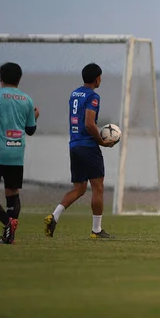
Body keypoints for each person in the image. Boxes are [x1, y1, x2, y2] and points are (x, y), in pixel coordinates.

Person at [44, 63, 117, 239]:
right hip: (88, 146)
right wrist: (101, 142)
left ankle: (54, 216)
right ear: (97, 78)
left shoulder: (74, 94)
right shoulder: (93, 96)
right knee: (98, 188)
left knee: (79, 188)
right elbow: (89, 123)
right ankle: (97, 230)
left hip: (74, 145)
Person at [0, 63, 39, 244]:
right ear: (19, 79)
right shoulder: (27, 100)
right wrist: (35, 116)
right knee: (12, 193)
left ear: (1, 78)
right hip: (16, 153)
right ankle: (9, 237)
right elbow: (30, 130)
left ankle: (8, 223)